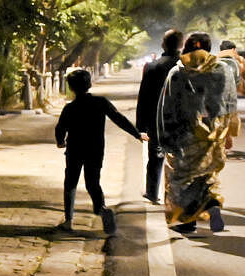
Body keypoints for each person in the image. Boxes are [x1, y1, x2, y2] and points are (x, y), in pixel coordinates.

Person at [158, 32, 238, 233]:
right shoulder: (222, 70)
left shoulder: (177, 73)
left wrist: (165, 138)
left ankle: (187, 223)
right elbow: (229, 105)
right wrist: (227, 134)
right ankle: (212, 205)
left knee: (183, 179)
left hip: (185, 136)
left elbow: (167, 108)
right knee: (206, 175)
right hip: (212, 134)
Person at [55, 69, 145, 233]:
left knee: (70, 183)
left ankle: (68, 221)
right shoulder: (100, 102)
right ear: (89, 84)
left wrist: (60, 142)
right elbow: (119, 118)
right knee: (93, 183)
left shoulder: (70, 108)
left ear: (71, 87)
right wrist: (137, 134)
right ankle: (102, 209)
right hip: (95, 149)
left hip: (75, 150)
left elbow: (60, 128)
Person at [136, 29, 183, 203]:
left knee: (155, 159)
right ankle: (174, 196)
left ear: (163, 44)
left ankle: (152, 192)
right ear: (181, 45)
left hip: (156, 121)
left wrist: (140, 127)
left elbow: (144, 98)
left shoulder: (152, 66)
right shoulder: (186, 66)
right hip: (180, 122)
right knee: (178, 160)